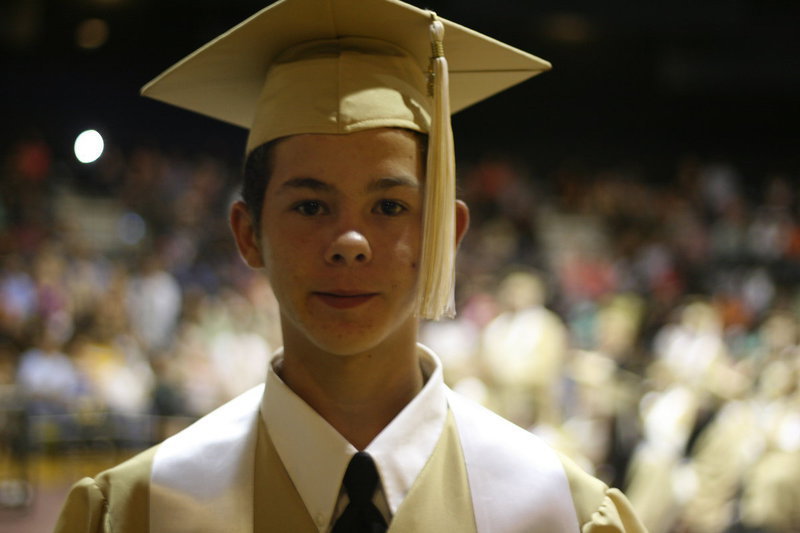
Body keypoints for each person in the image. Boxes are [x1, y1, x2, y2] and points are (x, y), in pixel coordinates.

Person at [54, 0, 648, 531]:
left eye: (390, 206)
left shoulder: (556, 513)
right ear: (248, 234)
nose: (350, 241)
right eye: (310, 206)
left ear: (447, 233)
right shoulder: (143, 512)